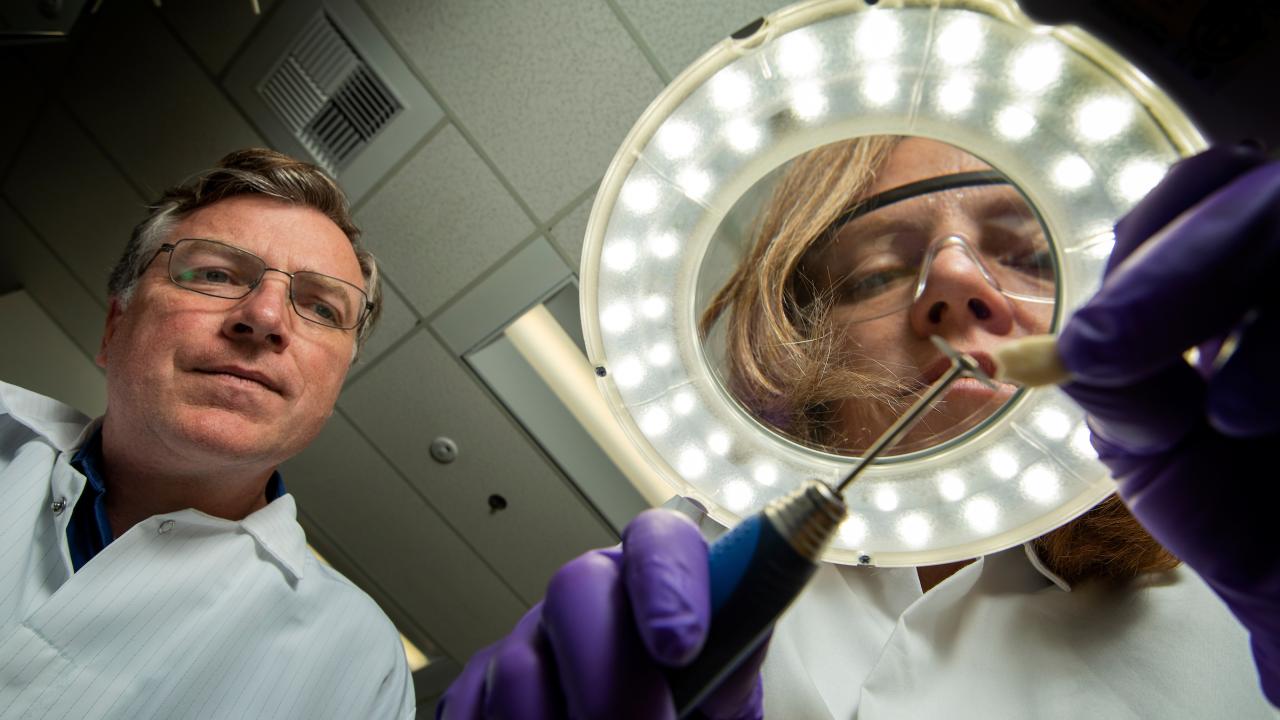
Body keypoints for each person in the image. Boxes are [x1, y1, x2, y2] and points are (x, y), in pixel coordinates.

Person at [437, 140, 1279, 719]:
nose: (953, 277)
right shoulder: (712, 586)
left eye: (1027, 253)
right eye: (878, 270)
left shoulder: (1238, 594)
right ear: (801, 336)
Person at [0, 149, 416, 719]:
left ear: (334, 384)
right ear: (114, 326)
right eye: (216, 273)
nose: (266, 317)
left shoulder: (365, 669)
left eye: (320, 308)